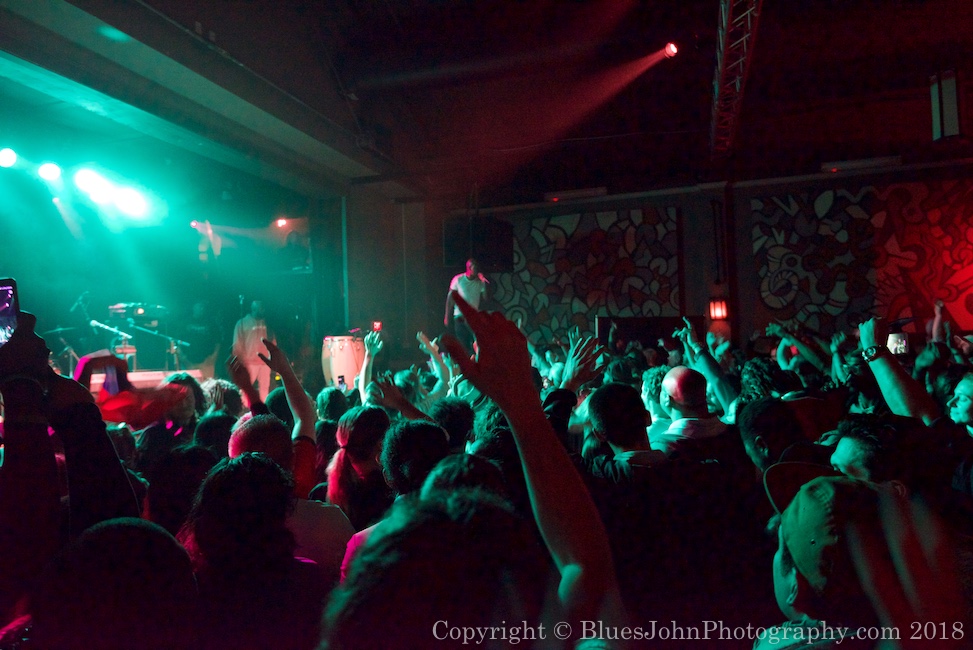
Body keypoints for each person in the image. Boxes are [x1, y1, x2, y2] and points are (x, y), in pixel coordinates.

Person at [232, 300, 274, 401]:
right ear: (254, 309)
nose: (263, 310)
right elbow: (237, 343)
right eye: (261, 308)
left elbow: (272, 341)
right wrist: (239, 360)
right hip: (249, 362)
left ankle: (264, 407)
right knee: (246, 388)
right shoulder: (242, 323)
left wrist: (272, 357)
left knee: (264, 388)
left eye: (263, 308)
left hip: (265, 362)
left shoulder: (267, 323)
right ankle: (242, 407)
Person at [444, 258, 487, 350]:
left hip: (473, 317)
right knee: (463, 344)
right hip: (460, 316)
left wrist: (483, 282)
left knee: (477, 343)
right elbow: (450, 298)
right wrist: (447, 316)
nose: (477, 270)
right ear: (469, 268)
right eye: (475, 268)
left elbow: (485, 298)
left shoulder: (479, 281)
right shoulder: (458, 279)